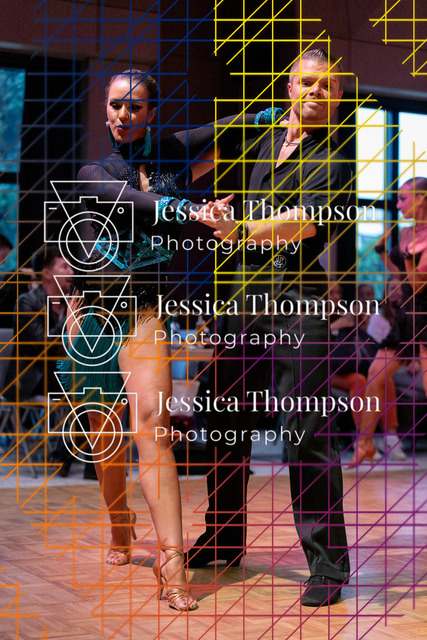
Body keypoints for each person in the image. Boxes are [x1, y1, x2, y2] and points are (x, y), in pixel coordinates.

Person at [59, 70, 263, 611]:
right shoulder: (93, 172)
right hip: (94, 315)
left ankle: (172, 566)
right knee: (105, 440)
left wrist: (283, 115)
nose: (123, 115)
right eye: (116, 106)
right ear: (105, 109)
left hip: (146, 311)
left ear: (151, 112)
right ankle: (120, 523)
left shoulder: (172, 158)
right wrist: (191, 210)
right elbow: (134, 203)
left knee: (154, 425)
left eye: (135, 106)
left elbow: (232, 127)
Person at [187, 48, 351, 607]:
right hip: (240, 306)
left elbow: (302, 224)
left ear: (336, 98)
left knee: (305, 432)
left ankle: (327, 564)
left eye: (326, 87)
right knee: (223, 420)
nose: (316, 93)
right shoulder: (260, 143)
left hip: (296, 309)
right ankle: (223, 536)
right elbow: (206, 169)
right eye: (307, 83)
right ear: (288, 88)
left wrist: (241, 227)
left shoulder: (334, 161)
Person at [349, 177, 427, 464]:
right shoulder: (406, 233)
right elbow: (401, 275)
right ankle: (365, 443)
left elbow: (418, 284)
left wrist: (407, 257)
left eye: (403, 199)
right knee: (375, 374)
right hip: (406, 317)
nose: (398, 204)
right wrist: (383, 252)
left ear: (421, 199)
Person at [5, 247, 74, 401]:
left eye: (71, 267)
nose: (71, 272)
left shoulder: (68, 304)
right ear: (47, 273)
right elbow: (43, 347)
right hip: (33, 381)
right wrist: (70, 314)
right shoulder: (26, 302)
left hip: (62, 375)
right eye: (65, 267)